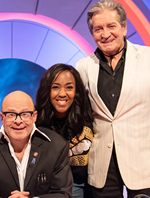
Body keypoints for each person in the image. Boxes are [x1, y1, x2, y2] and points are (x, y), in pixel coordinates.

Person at [75, 0, 150, 197]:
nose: (105, 34)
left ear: (124, 27)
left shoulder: (149, 58)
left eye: (111, 26)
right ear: (92, 33)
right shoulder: (83, 67)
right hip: (102, 166)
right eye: (98, 28)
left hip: (145, 163)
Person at [0, 90, 73, 198]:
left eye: (25, 114)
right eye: (11, 114)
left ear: (34, 116)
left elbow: (63, 194)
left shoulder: (57, 145)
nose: (18, 121)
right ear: (2, 117)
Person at [36, 64, 94, 198]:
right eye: (55, 87)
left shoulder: (91, 115)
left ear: (77, 91)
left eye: (69, 87)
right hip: (46, 189)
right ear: (47, 90)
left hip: (80, 186)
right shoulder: (35, 120)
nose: (62, 94)